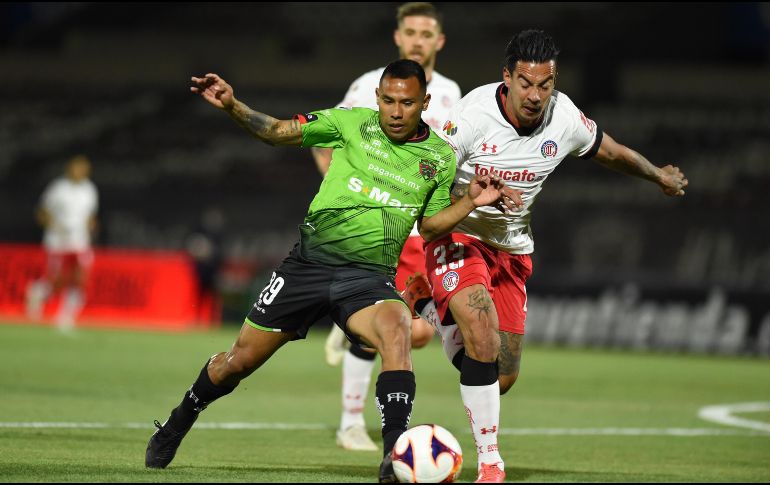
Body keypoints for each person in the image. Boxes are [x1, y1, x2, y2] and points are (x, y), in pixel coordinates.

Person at [145, 60, 522, 483]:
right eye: (388, 101)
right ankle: (179, 420)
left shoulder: (437, 157)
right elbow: (277, 132)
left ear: (424, 102)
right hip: (306, 268)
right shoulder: (350, 124)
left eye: (407, 103)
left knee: (397, 328)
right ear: (377, 98)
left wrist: (470, 202)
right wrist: (233, 105)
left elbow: (430, 225)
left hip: (368, 277)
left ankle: (392, 457)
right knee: (237, 362)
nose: (396, 112)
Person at [403, 30, 689, 483]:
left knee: (501, 375)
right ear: (507, 77)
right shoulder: (470, 118)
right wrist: (466, 204)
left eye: (545, 85)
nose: (535, 96)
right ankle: (491, 463)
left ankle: (427, 308)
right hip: (460, 236)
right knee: (480, 336)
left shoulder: (564, 117)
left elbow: (608, 151)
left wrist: (657, 175)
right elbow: (424, 188)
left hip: (513, 248)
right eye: (525, 84)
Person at [314, 2, 463, 452]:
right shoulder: (368, 86)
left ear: (439, 41)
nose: (418, 39)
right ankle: (351, 423)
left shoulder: (455, 93)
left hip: (423, 231)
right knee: (388, 324)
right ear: (397, 37)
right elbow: (326, 140)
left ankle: (349, 327)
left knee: (418, 333)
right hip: (375, 227)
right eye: (410, 31)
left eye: (426, 32)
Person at [25, 154, 99, 332]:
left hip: (79, 241)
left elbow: (89, 216)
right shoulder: (58, 188)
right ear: (69, 169)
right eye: (77, 167)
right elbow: (42, 212)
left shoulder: (89, 190)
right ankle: (37, 292)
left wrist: (91, 226)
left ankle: (65, 318)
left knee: (81, 279)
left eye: (84, 168)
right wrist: (55, 227)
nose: (80, 171)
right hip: (58, 242)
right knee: (57, 281)